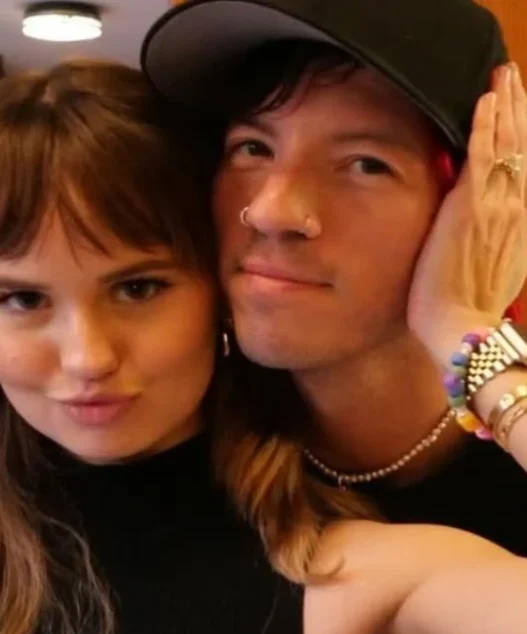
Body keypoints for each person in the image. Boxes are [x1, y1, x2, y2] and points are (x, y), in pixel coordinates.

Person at [3, 58, 527, 634]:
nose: (88, 357)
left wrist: (464, 331)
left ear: (219, 288)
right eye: (22, 299)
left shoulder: (346, 578)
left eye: (138, 288)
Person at [141, 0, 527, 559]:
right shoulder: (161, 428)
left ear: (482, 205)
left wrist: (459, 327)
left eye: (365, 163)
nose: (270, 211)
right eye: (253, 148)